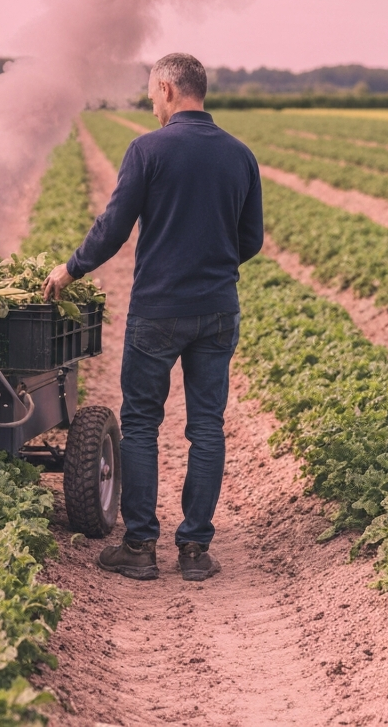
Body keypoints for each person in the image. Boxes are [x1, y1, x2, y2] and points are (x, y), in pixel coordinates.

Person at [43, 53, 262, 582]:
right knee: (206, 427)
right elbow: (250, 240)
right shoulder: (240, 155)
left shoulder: (148, 149)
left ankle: (140, 547)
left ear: (167, 88)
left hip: (158, 310)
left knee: (141, 423)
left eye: (150, 93)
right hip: (217, 311)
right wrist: (212, 262)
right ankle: (194, 551)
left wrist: (71, 270)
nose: (150, 103)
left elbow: (114, 226)